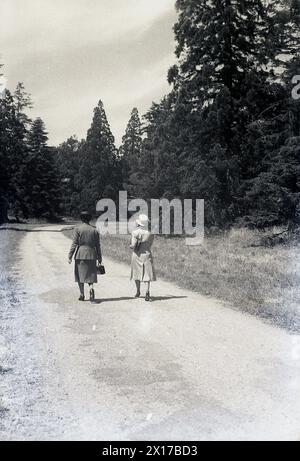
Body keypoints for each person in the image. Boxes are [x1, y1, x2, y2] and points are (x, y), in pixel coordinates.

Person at [68, 211, 102, 302]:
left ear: (81, 219)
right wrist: (99, 257)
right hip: (92, 254)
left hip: (80, 254)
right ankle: (91, 288)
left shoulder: (78, 229)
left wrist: (70, 256)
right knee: (90, 274)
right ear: (89, 219)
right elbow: (98, 245)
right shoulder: (95, 230)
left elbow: (74, 243)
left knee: (80, 275)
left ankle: (82, 294)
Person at [130, 214, 156, 301]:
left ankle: (138, 291)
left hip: (137, 254)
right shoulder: (151, 233)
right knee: (147, 274)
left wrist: (131, 246)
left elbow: (133, 245)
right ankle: (147, 291)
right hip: (147, 254)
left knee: (137, 273)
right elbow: (150, 244)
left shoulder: (135, 232)